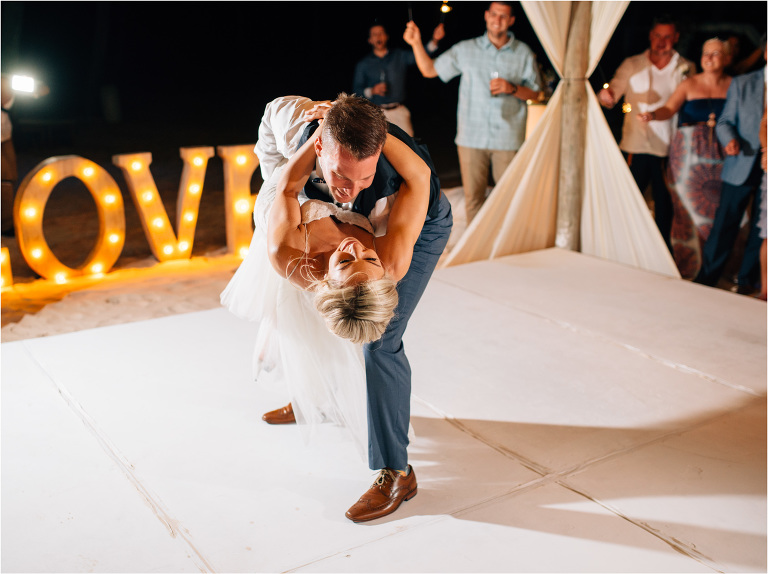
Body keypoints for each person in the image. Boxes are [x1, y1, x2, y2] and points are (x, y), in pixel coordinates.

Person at [222, 94, 453, 523]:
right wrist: (274, 166)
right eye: (341, 177)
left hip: (416, 219)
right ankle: (317, 396)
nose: (350, 191)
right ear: (320, 149)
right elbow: (270, 115)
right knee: (311, 310)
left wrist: (377, 137)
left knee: (379, 341)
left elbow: (417, 178)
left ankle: (396, 472)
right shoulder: (296, 127)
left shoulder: (388, 258)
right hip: (336, 191)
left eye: (361, 179)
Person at [403, 1, 543, 224]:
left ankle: (505, 246)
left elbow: (536, 94)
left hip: (507, 138)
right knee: (473, 199)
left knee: (510, 196)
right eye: (494, 14)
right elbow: (429, 70)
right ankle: (478, 250)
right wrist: (416, 42)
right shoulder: (466, 49)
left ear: (511, 20)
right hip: (471, 137)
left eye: (503, 16)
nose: (497, 20)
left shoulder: (523, 53)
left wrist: (513, 88)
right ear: (486, 16)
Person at [598, 15, 696, 253]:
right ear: (650, 36)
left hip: (670, 149)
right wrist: (606, 96)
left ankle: (660, 254)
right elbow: (612, 92)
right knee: (627, 201)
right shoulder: (632, 64)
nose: (661, 41)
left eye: (666, 37)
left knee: (665, 207)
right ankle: (618, 248)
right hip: (635, 145)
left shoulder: (686, 67)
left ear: (675, 38)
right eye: (657, 36)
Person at [638, 38, 732, 279]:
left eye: (716, 53)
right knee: (687, 210)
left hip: (721, 156)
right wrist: (652, 115)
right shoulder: (688, 84)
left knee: (717, 212)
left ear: (727, 58)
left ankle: (716, 270)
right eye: (705, 53)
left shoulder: (734, 85)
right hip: (688, 155)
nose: (709, 58)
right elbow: (668, 109)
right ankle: (687, 268)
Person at [694, 41, 766, 293]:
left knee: (763, 227)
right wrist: (730, 139)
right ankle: (707, 280)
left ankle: (746, 281)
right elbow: (724, 121)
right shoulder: (743, 83)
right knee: (725, 222)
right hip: (742, 160)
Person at [353, 21, 444, 136]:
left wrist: (435, 40)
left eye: (381, 33)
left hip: (398, 110)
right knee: (377, 151)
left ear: (386, 36)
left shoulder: (399, 55)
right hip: (375, 113)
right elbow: (356, 90)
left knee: (409, 146)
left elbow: (420, 55)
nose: (378, 37)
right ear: (370, 40)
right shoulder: (363, 64)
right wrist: (372, 90)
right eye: (375, 34)